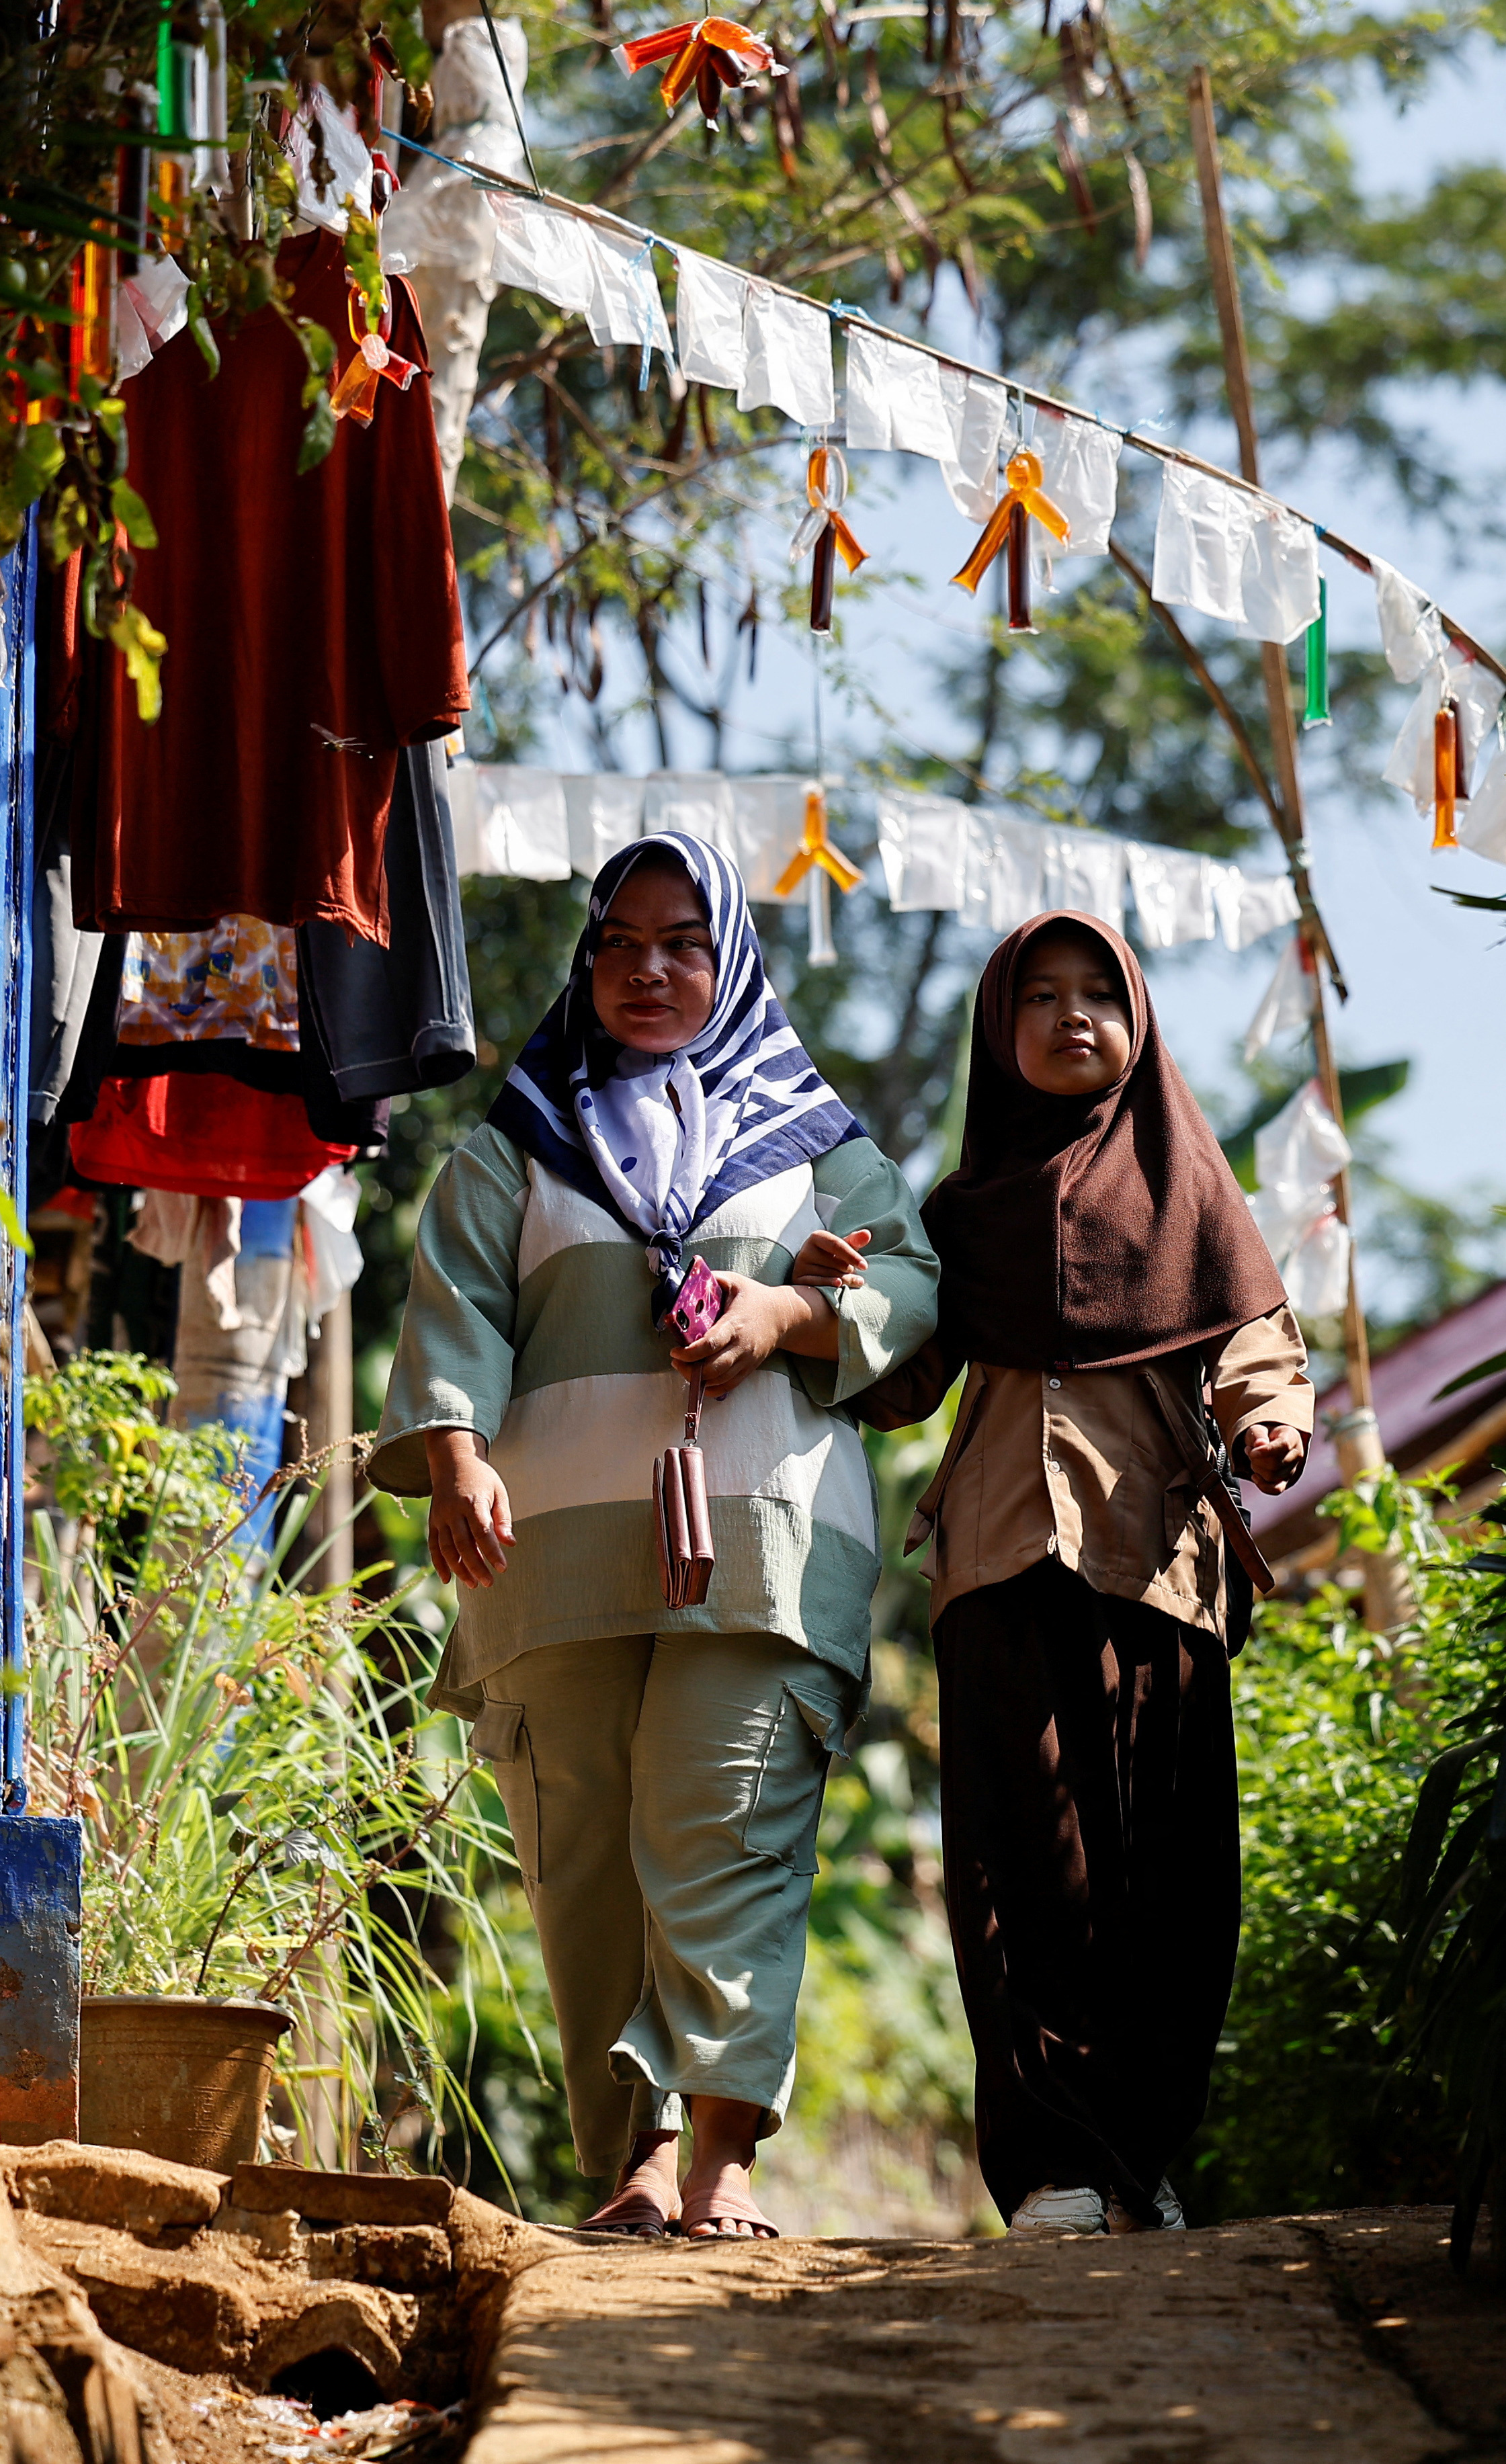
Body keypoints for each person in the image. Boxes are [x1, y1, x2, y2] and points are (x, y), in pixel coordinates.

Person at [370, 831, 937, 2241]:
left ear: (728, 956)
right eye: (616, 943)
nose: (647, 969)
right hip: (546, 1555)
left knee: (725, 1831)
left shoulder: (816, 1145)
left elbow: (915, 1284)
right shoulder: (514, 1146)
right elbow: (453, 1313)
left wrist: (785, 1316)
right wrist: (453, 1456)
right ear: (585, 962)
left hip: (765, 1545)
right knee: (585, 1868)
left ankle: (721, 2163)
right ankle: (629, 2161)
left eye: (680, 941)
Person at [805, 909, 1310, 2238]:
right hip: (997, 1558)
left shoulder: (1196, 1192)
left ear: (1138, 1021)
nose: (1072, 1015)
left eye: (1099, 993)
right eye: (1040, 995)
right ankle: (1051, 2169)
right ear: (996, 1027)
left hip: (1159, 1564)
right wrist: (837, 1302)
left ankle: (1140, 2157)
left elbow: (1252, 1330)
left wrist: (1268, 1417)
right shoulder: (962, 1211)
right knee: (1019, 1867)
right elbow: (904, 1380)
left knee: (1166, 1872)